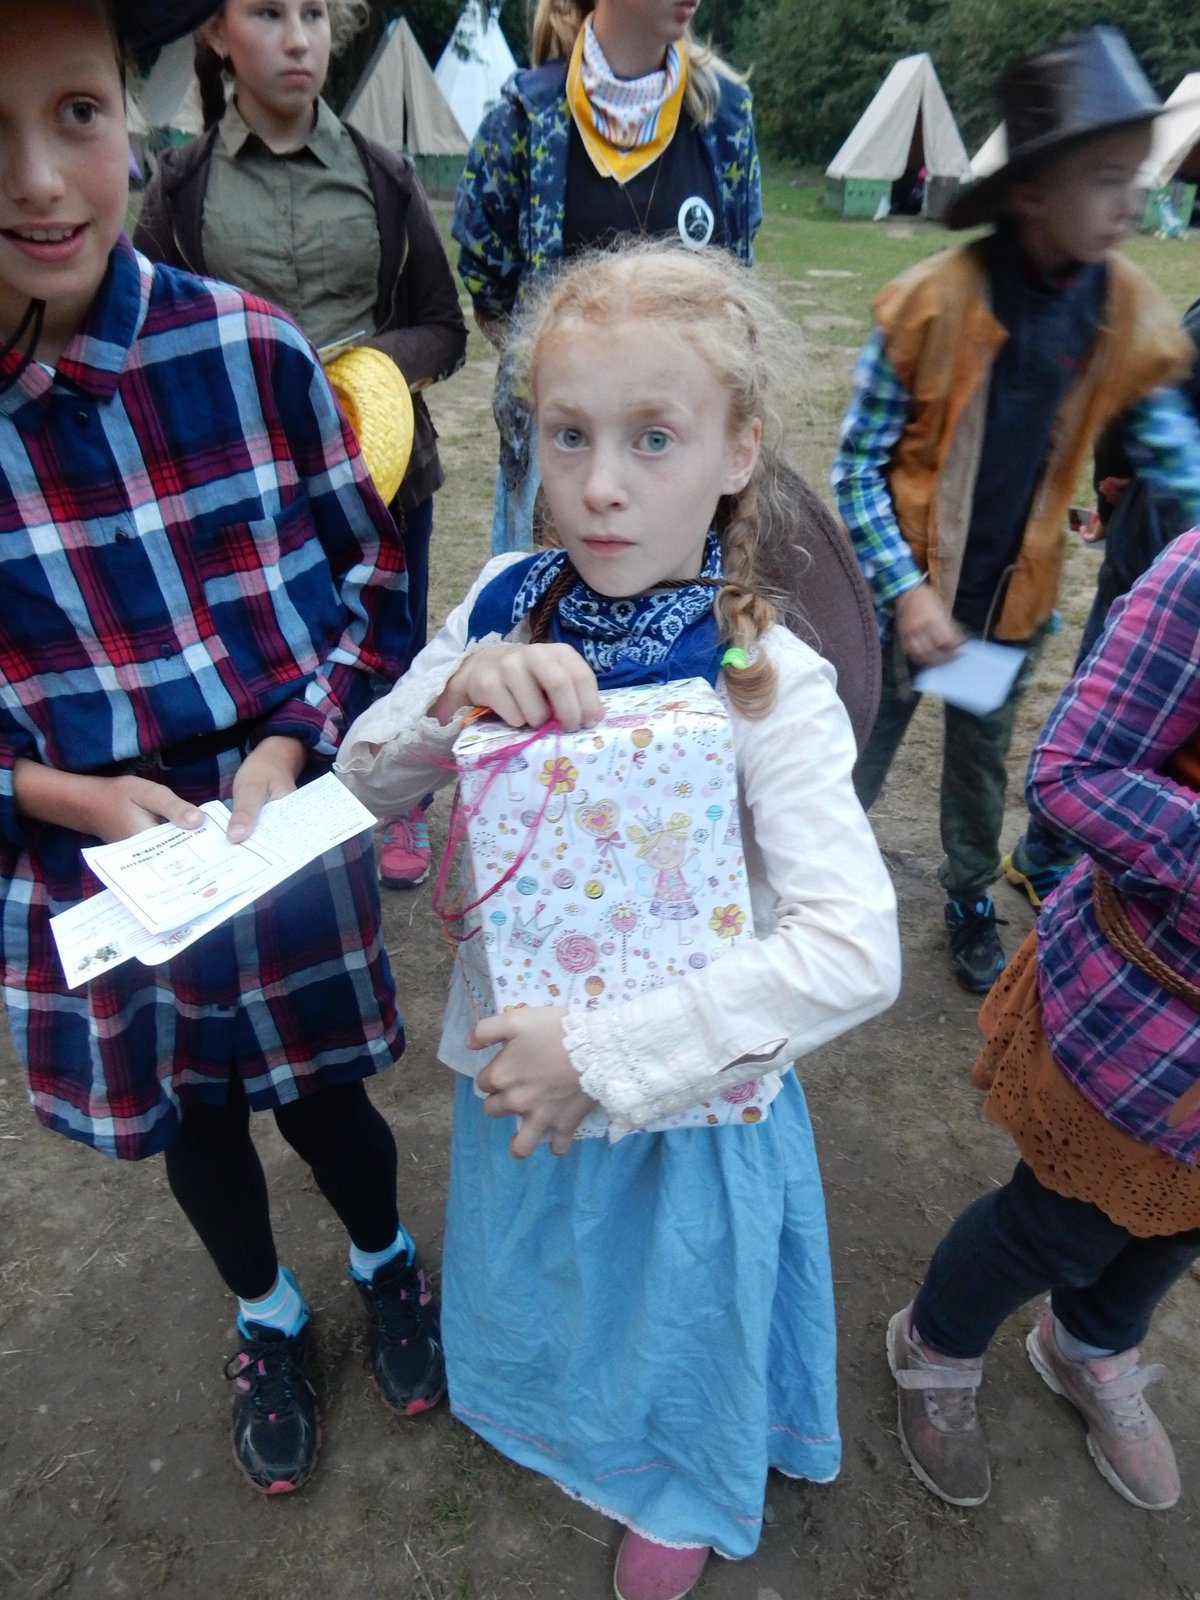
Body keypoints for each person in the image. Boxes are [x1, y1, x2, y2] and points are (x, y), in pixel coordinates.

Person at [336, 243, 901, 1600]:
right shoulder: (501, 601)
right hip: (516, 1056)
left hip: (683, 1089)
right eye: (568, 434)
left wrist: (605, 1057)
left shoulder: (763, 674)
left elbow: (853, 947)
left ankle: (682, 1472)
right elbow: (364, 779)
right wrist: (458, 691)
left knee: (674, 1290)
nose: (598, 484)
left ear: (736, 449)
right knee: (548, 1260)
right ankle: (548, 1409)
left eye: (653, 438)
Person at [0, 0, 443, 1499]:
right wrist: (60, 793)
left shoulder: (249, 351)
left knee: (329, 1096)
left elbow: (372, 578)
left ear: (133, 116)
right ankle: (268, 1312)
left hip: (276, 813)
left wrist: (290, 741)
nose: (40, 179)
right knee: (198, 1120)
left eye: (75, 113)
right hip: (94, 861)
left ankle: (385, 1261)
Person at [832, 26, 1200, 994]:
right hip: (899, 603)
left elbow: (1173, 450)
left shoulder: (1123, 309)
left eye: (1136, 177)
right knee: (853, 753)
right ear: (1034, 190)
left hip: (1008, 603)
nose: (1133, 203)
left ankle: (965, 895)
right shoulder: (926, 307)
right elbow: (857, 469)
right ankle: (813, 888)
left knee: (978, 768)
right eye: (1108, 180)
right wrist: (907, 594)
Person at [887, 526, 1200, 1515]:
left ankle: (1090, 1345)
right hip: (1152, 1029)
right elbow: (1070, 770)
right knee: (1061, 1226)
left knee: (1177, 1234)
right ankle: (935, 1342)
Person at [135, 0, 468, 892]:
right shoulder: (181, 185)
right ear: (215, 33)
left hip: (383, 472)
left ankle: (397, 799)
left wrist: (359, 374)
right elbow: (139, 331)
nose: (297, 37)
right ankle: (270, 806)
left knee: (389, 641)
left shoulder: (384, 174)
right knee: (267, 652)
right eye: (269, 13)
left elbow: (444, 327)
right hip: (240, 484)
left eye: (314, 13)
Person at [452, 0, 761, 558]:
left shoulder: (724, 122)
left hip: (683, 475)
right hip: (562, 478)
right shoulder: (523, 122)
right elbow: (494, 296)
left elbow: (733, 301)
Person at [1003, 294, 1200, 909]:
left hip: (1161, 512)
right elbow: (1140, 391)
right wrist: (1112, 486)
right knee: (1116, 695)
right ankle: (1047, 855)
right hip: (1163, 523)